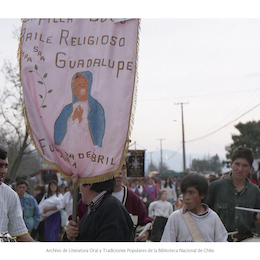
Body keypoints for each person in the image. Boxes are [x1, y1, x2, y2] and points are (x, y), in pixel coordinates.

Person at [73, 162, 151, 242]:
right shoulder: (89, 200)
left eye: (123, 167)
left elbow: (146, 226)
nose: (119, 171)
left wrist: (142, 236)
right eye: (114, 166)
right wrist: (71, 231)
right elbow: (75, 225)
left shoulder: (134, 199)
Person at [204, 146, 260, 242]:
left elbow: (256, 217)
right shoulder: (215, 187)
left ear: (250, 168)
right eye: (237, 164)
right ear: (231, 164)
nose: (240, 169)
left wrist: (257, 218)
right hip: (220, 241)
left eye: (245, 165)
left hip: (247, 242)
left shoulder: (255, 191)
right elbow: (203, 214)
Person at [161, 173, 227, 242]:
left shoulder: (213, 217)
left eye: (191, 193)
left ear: (202, 195)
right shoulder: (175, 217)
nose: (186, 198)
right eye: (184, 193)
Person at [62, 178, 134, 241]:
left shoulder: (111, 209)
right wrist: (69, 235)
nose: (79, 187)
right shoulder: (95, 207)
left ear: (89, 184)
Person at [54, 71, 105, 148]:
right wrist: (73, 118)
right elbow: (59, 129)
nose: (78, 90)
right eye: (75, 87)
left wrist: (81, 119)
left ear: (89, 86)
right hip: (70, 148)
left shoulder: (95, 108)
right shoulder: (67, 109)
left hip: (88, 148)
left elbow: (98, 132)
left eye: (82, 86)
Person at [0, 148, 35, 241]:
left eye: (5, 166)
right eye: (0, 166)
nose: (3, 171)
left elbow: (20, 233)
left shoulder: (10, 195)